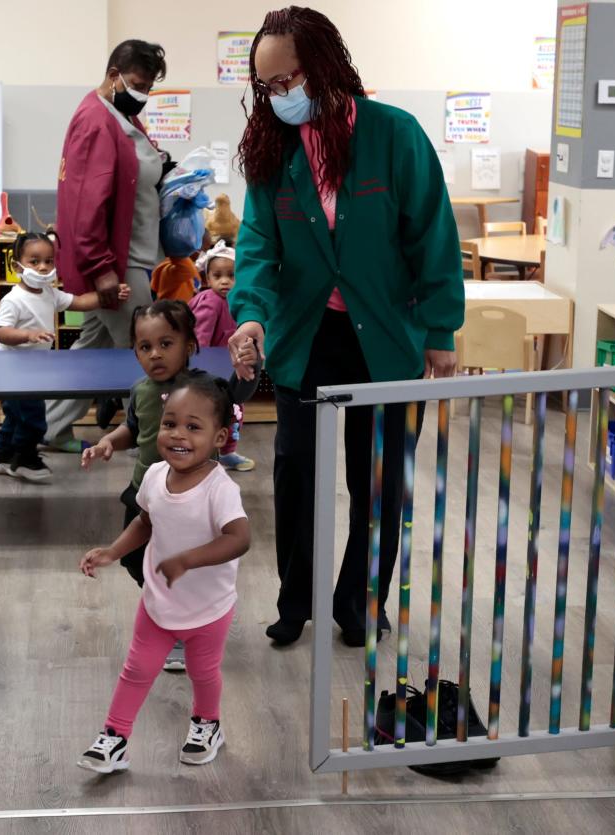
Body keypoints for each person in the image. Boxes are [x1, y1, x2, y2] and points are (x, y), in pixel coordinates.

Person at [229, 6, 464, 648]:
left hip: (385, 335)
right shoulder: (272, 148)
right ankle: (294, 600)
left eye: (288, 82)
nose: (280, 97)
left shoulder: (395, 135)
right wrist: (249, 313)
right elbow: (256, 243)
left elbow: (432, 234)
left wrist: (441, 332)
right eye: (267, 88)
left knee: (379, 478)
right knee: (296, 469)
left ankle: (361, 603)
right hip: (305, 336)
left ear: (326, 69)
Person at [76, 378, 250, 774]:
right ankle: (115, 738)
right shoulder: (155, 475)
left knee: (202, 672)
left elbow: (239, 539)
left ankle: (208, 724)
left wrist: (189, 559)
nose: (178, 435)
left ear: (220, 437)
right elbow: (145, 521)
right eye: (170, 424)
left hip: (208, 608)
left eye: (193, 427)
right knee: (136, 670)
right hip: (158, 602)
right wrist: (112, 551)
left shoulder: (219, 490)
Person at [82, 299, 255, 670]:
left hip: (189, 497)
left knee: (172, 563)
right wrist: (109, 441)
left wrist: (247, 370)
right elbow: (135, 428)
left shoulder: (202, 387)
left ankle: (180, 629)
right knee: (133, 559)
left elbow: (236, 396)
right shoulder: (140, 390)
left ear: (189, 347)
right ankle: (172, 611)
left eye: (166, 344)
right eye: (145, 347)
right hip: (145, 490)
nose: (155, 354)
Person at [44, 39, 168, 453]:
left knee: (89, 351)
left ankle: (49, 429)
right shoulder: (98, 121)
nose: (143, 94)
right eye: (137, 83)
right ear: (114, 74)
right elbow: (87, 204)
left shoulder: (117, 114)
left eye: (149, 87)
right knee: (152, 350)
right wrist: (103, 272)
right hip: (118, 263)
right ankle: (156, 443)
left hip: (127, 255)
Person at [0, 232, 130, 483]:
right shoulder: (14, 299)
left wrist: (108, 294)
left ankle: (2, 455)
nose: (43, 267)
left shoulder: (49, 293)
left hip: (33, 371)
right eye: (34, 262)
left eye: (49, 261)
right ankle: (24, 458)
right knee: (32, 416)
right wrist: (27, 335)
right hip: (13, 372)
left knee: (15, 415)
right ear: (16, 265)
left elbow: (80, 302)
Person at [189, 240, 253, 472]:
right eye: (217, 276)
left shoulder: (237, 301)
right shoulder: (211, 302)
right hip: (212, 375)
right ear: (208, 279)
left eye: (231, 275)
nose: (225, 281)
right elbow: (200, 342)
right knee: (211, 415)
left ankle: (227, 452)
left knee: (234, 412)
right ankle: (207, 454)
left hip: (231, 371)